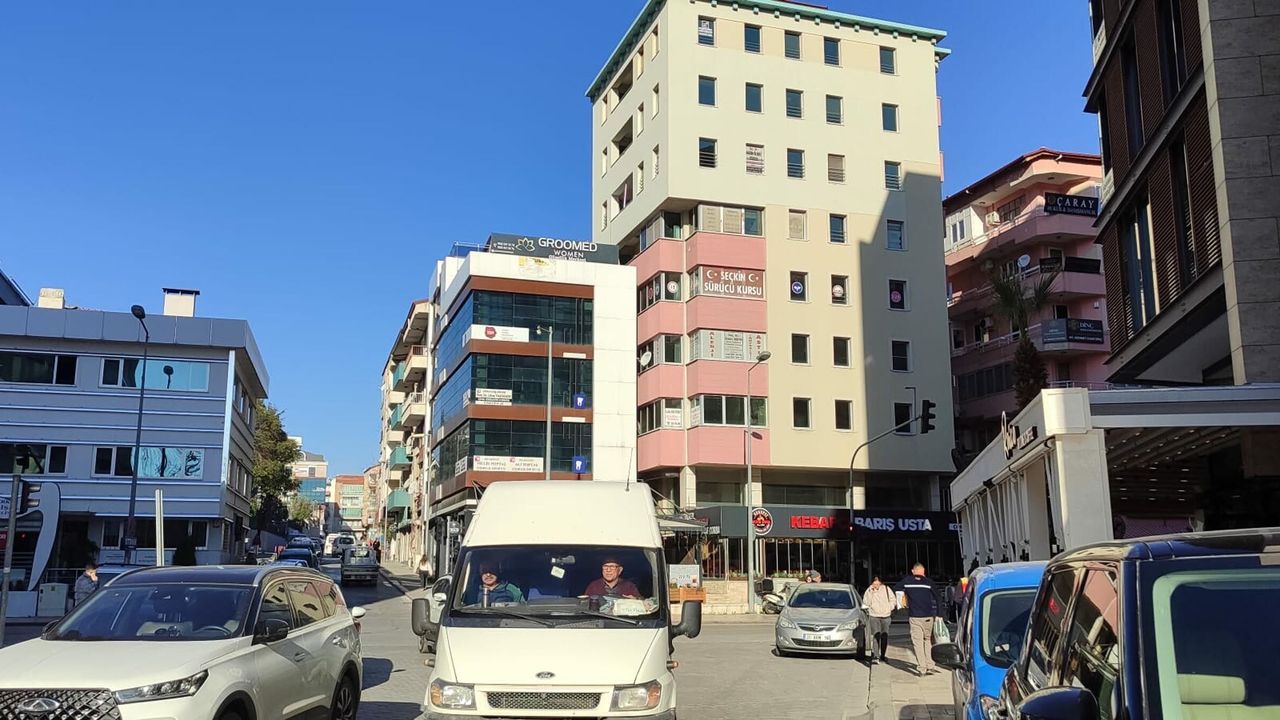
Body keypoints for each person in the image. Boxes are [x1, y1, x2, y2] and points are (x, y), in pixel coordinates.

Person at [894, 562, 942, 676]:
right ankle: (930, 665)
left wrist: (904, 596)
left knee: (918, 643)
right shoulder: (928, 582)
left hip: (915, 617)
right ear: (923, 571)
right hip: (928, 617)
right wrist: (939, 614)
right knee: (928, 640)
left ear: (913, 571)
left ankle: (922, 668)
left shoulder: (907, 581)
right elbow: (938, 597)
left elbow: (896, 587)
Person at [862, 576, 896, 664]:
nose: (876, 585)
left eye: (877, 583)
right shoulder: (869, 590)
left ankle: (883, 655)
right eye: (874, 583)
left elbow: (893, 600)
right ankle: (876, 655)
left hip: (886, 616)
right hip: (874, 616)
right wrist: (871, 592)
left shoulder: (887, 589)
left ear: (880, 582)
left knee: (885, 636)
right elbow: (866, 602)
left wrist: (889, 607)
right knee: (876, 635)